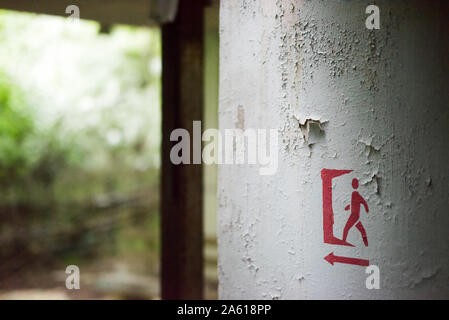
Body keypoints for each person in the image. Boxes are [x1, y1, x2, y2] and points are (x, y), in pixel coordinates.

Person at [342, 178, 369, 246]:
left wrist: (366, 208)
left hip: (354, 216)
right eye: (353, 183)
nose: (354, 185)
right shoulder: (354, 194)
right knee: (362, 230)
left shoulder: (356, 194)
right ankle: (366, 244)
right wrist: (348, 207)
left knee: (346, 229)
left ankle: (343, 242)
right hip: (354, 215)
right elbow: (354, 204)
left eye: (355, 183)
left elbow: (363, 202)